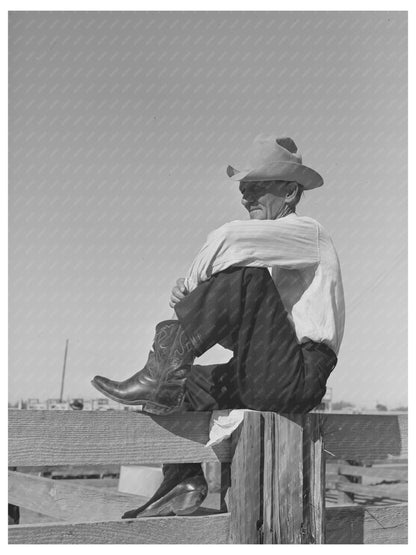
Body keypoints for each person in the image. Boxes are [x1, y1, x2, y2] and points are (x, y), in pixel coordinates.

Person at [91, 134, 345, 519]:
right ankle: (182, 480)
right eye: (244, 190)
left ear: (290, 192)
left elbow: (227, 239)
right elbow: (244, 340)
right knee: (183, 385)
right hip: (268, 373)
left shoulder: (308, 233)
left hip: (301, 375)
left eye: (257, 187)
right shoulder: (278, 257)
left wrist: (194, 290)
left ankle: (160, 369)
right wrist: (201, 306)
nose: (246, 197)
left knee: (247, 277)